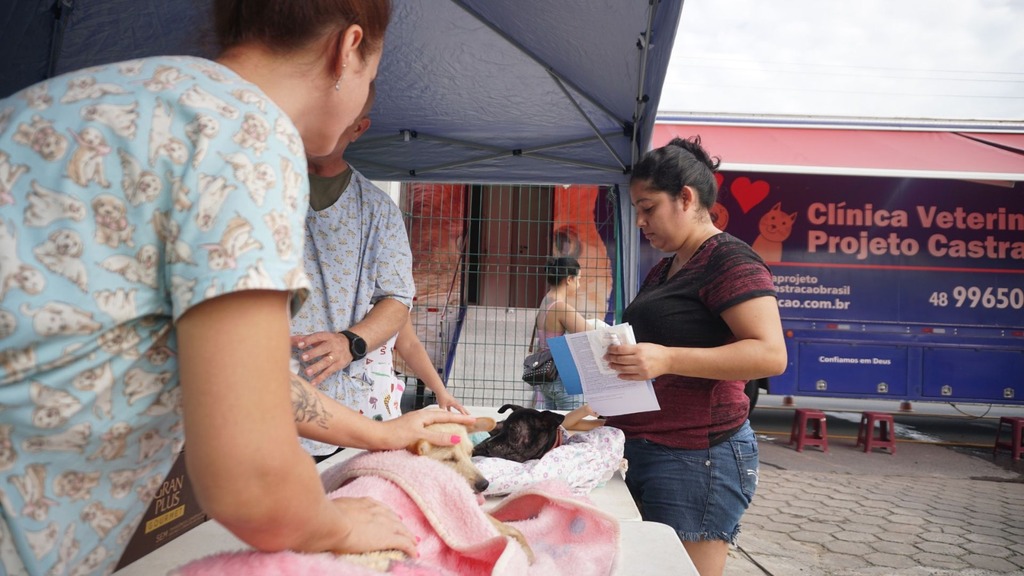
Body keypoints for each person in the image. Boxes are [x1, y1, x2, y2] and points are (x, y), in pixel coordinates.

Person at [0, 1, 476, 574]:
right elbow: (250, 478)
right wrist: (339, 524)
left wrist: (379, 433)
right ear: (348, 49)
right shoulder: (249, 135)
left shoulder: (92, 95)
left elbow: (263, 386)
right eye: (371, 76)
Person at [603, 136, 787, 576]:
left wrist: (667, 359)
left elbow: (770, 354)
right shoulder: (667, 267)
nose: (642, 221)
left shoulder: (729, 261)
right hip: (649, 447)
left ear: (685, 198)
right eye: (637, 211)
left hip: (697, 457)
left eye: (648, 208)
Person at [289, 82, 464, 459]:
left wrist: (349, 342)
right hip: (249, 408)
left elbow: (398, 303)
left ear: (359, 128)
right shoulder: (259, 187)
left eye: (338, 114)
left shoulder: (378, 211)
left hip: (336, 414)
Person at [531, 256, 599, 410]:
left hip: (545, 373)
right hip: (560, 375)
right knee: (572, 423)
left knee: (553, 425)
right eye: (579, 279)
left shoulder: (546, 300)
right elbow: (591, 335)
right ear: (569, 279)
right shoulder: (560, 307)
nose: (579, 284)